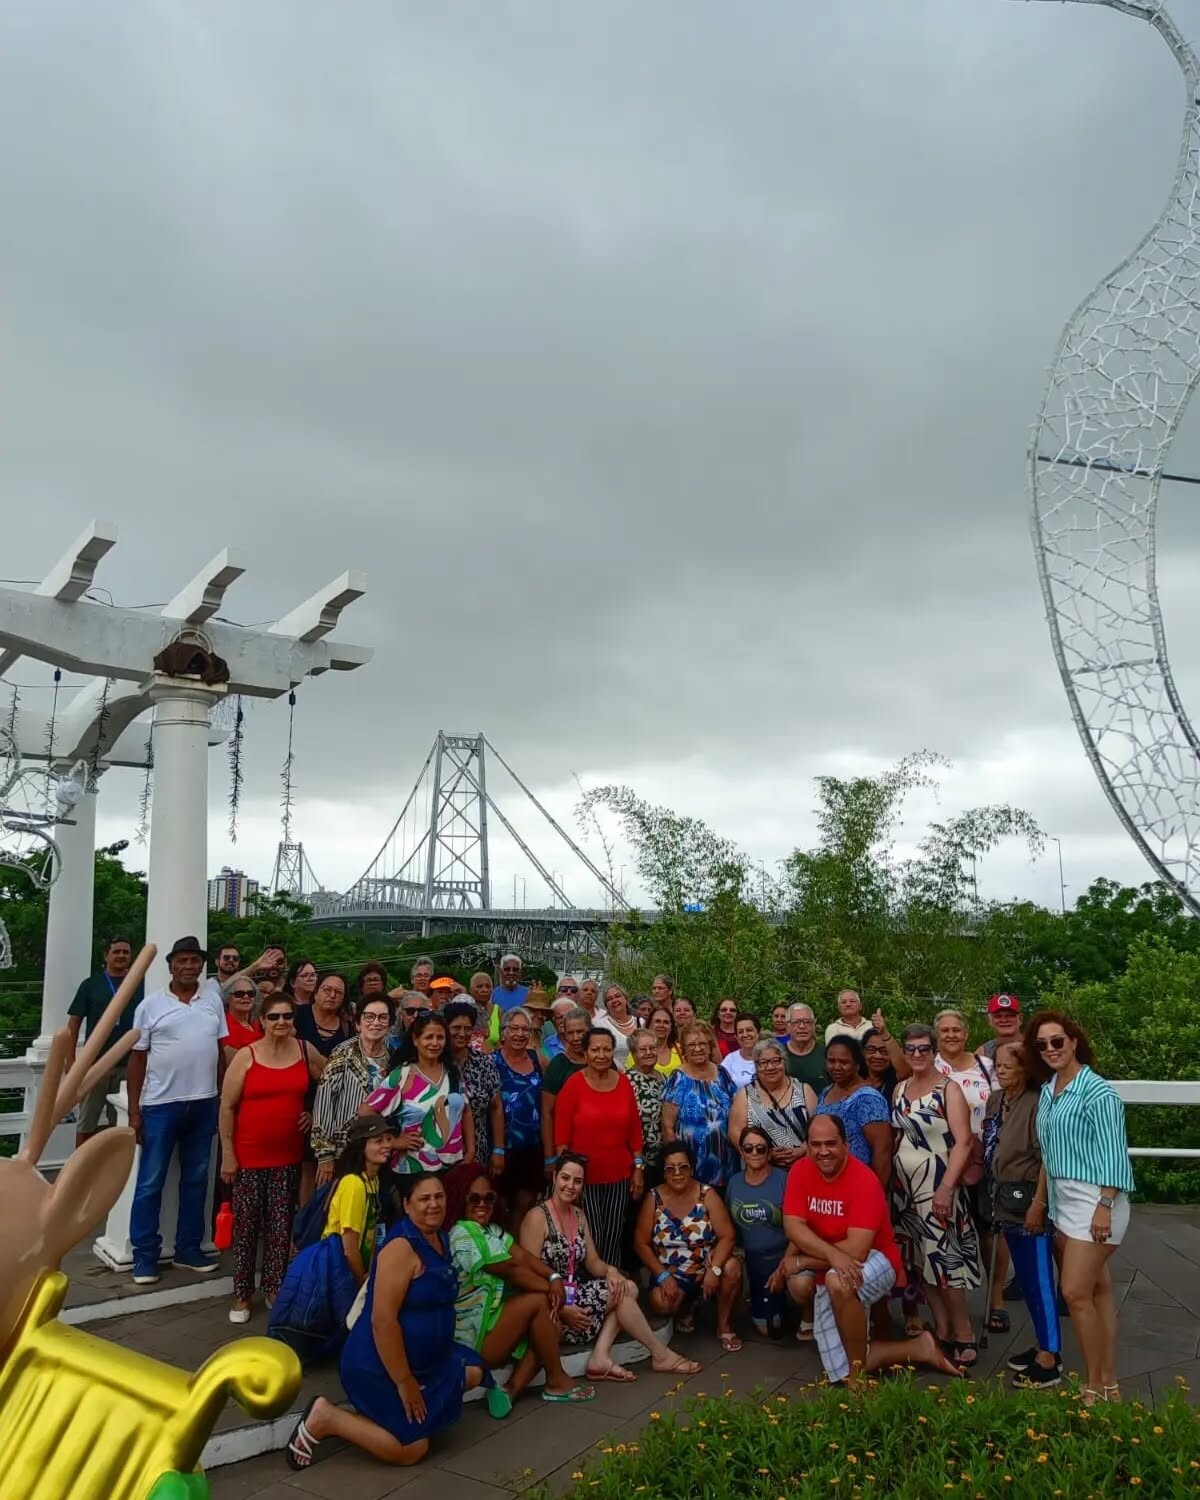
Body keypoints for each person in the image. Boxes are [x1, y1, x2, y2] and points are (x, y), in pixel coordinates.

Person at [286, 1173, 503, 1472]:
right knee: (412, 1449)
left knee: (474, 1371)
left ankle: (405, 1414)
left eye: (438, 1197)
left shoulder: (440, 1237)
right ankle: (328, 1418)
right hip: (378, 1365)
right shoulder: (400, 1248)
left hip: (428, 1362)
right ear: (407, 1204)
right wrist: (404, 1381)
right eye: (424, 1199)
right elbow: (382, 1321)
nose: (433, 1204)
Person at [781, 1114, 961, 1387]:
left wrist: (805, 1260)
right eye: (815, 1144)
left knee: (838, 1281)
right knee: (834, 1369)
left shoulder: (864, 1179)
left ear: (846, 1145)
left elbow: (857, 1250)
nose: (823, 1151)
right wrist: (831, 1256)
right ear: (806, 1145)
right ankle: (918, 1349)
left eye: (831, 1143)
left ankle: (857, 1375)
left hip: (879, 1260)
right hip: (831, 1259)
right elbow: (793, 1227)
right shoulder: (799, 1171)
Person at [1027, 1008, 1134, 1406]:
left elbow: (1114, 1153)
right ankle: (1109, 1384)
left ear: (1074, 1042)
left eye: (1057, 1041)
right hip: (1063, 1202)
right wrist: (1040, 1203)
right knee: (1099, 1290)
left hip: (1096, 1201)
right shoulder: (1049, 1089)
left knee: (1073, 1292)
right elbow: (1049, 1155)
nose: (1050, 1049)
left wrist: (1104, 1205)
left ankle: (1092, 1387)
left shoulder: (1098, 1092)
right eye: (1042, 1045)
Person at [520, 1152, 700, 1378]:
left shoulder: (578, 1214)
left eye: (577, 1181)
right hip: (551, 1305)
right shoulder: (537, 1217)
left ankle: (603, 1355)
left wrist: (612, 1271)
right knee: (624, 1294)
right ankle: (658, 1354)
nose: (570, 1186)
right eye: (565, 1178)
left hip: (575, 1296)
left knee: (626, 1287)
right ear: (555, 1177)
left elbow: (593, 1262)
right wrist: (563, 1308)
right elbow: (528, 1276)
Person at [126, 935, 229, 1284]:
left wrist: (218, 1100)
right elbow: (137, 1059)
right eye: (182, 961)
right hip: (160, 1105)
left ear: (202, 965)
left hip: (203, 1103)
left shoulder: (212, 1002)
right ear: (170, 965)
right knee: (150, 1182)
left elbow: (219, 1054)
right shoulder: (150, 1005)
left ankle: (188, 1248)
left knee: (196, 1180)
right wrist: (134, 1111)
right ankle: (145, 1255)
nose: (189, 966)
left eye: (195, 961)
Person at [219, 995, 326, 1322]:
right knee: (248, 1227)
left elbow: (332, 1082)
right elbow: (227, 1106)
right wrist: (228, 1154)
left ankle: (274, 1287)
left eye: (287, 1016)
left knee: (281, 1228)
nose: (281, 1022)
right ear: (262, 1020)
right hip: (249, 1156)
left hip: (288, 1155)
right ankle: (241, 1294)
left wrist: (313, 1112)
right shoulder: (246, 1056)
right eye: (274, 1017)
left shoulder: (304, 1050)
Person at [447, 1172, 595, 1403]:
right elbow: (511, 1270)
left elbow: (522, 1257)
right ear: (460, 1199)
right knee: (540, 1302)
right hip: (475, 1337)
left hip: (496, 1321)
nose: (482, 1204)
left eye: (489, 1198)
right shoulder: (460, 1234)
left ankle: (510, 1389)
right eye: (474, 1199)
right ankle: (556, 1380)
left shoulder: (491, 1230)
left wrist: (554, 1277)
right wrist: (550, 1288)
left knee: (551, 1325)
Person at [269, 1114, 396, 1363]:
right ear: (362, 1146)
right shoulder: (354, 1185)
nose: (387, 1145)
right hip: (337, 1264)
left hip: (349, 1264)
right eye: (377, 1141)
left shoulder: (374, 1180)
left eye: (388, 1139)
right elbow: (349, 1246)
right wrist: (361, 1280)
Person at [891, 1022, 981, 1365]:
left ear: (933, 1051)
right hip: (906, 1185)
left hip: (937, 1182)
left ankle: (963, 1331)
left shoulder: (949, 1090)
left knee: (945, 1260)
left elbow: (963, 1142)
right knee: (919, 1259)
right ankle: (942, 1327)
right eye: (910, 1049)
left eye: (923, 1049)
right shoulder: (899, 1089)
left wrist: (946, 1187)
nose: (916, 1055)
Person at [983, 1040, 1062, 1388]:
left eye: (1007, 1066)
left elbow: (1047, 1156)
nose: (1000, 1071)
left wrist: (1039, 1204)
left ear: (1026, 1069)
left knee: (1040, 1279)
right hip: (1002, 1200)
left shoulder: (1037, 1102)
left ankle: (1051, 1357)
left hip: (1030, 1201)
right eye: (996, 1065)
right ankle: (1043, 1343)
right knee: (1027, 1281)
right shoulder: (997, 1100)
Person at [635, 1141, 743, 1352]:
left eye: (683, 1167)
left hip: (705, 1266)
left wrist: (715, 1269)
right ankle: (687, 1305)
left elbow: (727, 1235)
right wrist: (661, 1275)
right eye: (670, 1168)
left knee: (732, 1269)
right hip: (672, 1272)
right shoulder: (654, 1198)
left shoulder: (707, 1194)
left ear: (692, 1168)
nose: (677, 1173)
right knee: (661, 1303)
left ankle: (724, 1326)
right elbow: (640, 1243)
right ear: (663, 1172)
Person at [554, 1029, 645, 1266]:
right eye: (595, 1049)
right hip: (584, 1178)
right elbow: (561, 1137)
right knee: (590, 1235)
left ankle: (613, 1289)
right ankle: (588, 1287)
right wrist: (564, 1179)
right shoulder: (573, 1085)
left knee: (614, 1235)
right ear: (585, 1053)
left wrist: (638, 1168)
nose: (601, 1055)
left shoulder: (624, 1083)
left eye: (607, 1049)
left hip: (619, 1175)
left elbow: (635, 1130)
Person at [367, 1013, 472, 1173]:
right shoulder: (402, 1075)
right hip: (413, 1168)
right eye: (429, 1037)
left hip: (453, 1165)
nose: (435, 1043)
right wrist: (392, 1142)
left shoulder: (453, 1072)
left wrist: (471, 1151)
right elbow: (366, 1111)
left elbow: (466, 1111)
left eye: (440, 1037)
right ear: (416, 1040)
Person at [67, 935, 145, 1146]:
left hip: (129, 1065)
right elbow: (73, 1023)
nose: (121, 956)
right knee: (87, 1123)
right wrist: (71, 1061)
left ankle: (114, 1173)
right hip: (96, 1065)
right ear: (106, 955)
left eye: (126, 952)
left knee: (120, 1124)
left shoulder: (140, 984)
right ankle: (79, 1173)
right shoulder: (91, 985)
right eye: (116, 952)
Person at [312, 995, 397, 1184]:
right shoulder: (343, 1052)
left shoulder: (394, 1058)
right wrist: (324, 1154)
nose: (376, 1022)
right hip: (344, 1149)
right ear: (358, 1023)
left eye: (383, 1017)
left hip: (381, 1150)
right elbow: (324, 1103)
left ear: (390, 1024)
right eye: (369, 1017)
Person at [727, 1126, 789, 1337]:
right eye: (749, 1148)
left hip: (782, 1256)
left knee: (778, 1323)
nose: (754, 1153)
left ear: (769, 1152)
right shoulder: (734, 1183)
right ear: (742, 1152)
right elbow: (730, 1225)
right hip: (751, 1259)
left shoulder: (784, 1180)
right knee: (763, 1327)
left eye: (760, 1149)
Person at [661, 1021, 738, 1190]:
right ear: (684, 1050)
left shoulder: (722, 1073)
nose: (697, 1048)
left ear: (710, 1046)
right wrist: (678, 1165)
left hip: (726, 1161)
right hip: (693, 1164)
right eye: (692, 1045)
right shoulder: (678, 1078)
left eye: (702, 1043)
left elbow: (737, 1111)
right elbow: (667, 1127)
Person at [727, 1039, 815, 1172]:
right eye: (763, 1063)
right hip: (762, 1172)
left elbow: (818, 1128)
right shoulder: (744, 1095)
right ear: (756, 1066)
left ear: (784, 1062)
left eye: (775, 1061)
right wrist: (764, 1153)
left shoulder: (804, 1090)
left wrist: (803, 1149)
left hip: (803, 1168)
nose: (770, 1067)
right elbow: (735, 1132)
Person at [816, 1035, 893, 1186]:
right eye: (832, 1061)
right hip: (827, 1183)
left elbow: (882, 1152)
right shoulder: (826, 1092)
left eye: (844, 1062)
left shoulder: (868, 1098)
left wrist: (875, 1193)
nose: (836, 1067)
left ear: (857, 1065)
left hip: (858, 1184)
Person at [492, 1008, 544, 1228]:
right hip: (504, 1145)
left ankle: (519, 1250)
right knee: (501, 1202)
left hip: (533, 1145)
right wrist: (498, 1149)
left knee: (526, 1202)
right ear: (503, 1033)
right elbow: (491, 1107)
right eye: (514, 1028)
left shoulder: (538, 1059)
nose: (520, 1034)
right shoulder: (492, 1062)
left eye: (526, 1029)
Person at [444, 1001, 504, 1170]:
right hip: (440, 1152)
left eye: (467, 1028)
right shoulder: (437, 1062)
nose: (462, 1033)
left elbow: (496, 1106)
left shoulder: (484, 1062)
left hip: (478, 1149)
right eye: (456, 1028)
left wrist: (499, 1150)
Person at [539, 1006, 589, 1177]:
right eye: (570, 1032)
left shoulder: (603, 1062)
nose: (575, 1038)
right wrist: (549, 1157)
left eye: (581, 1032)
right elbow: (546, 1112)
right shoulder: (558, 1065)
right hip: (566, 1150)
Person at [626, 1029, 666, 1180]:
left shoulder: (663, 1077)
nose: (649, 1052)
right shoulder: (626, 1081)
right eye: (643, 1049)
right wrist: (638, 1164)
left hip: (662, 1158)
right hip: (637, 1160)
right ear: (633, 1053)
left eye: (652, 1048)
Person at [783, 1003, 828, 1094]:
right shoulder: (778, 1054)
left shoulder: (827, 1054)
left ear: (813, 1025)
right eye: (796, 1022)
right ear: (788, 1026)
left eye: (807, 1022)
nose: (802, 1026)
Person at [594, 983, 640, 1067]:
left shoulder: (641, 1022)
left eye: (618, 996)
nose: (614, 1000)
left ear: (626, 999)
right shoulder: (599, 1025)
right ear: (606, 1005)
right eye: (609, 999)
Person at [223, 976, 263, 1060]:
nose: (246, 997)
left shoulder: (258, 1023)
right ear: (228, 998)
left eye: (250, 993)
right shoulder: (225, 1026)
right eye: (239, 994)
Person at [720, 1013, 761, 1090]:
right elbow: (721, 1088)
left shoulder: (769, 1056)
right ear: (736, 1037)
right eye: (740, 1032)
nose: (745, 1034)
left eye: (749, 1030)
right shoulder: (729, 1060)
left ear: (758, 1032)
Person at [979, 992, 1023, 1062]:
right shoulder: (983, 1052)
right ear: (989, 1020)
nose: (1004, 1020)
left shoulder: (1035, 1047)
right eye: (998, 1016)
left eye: (1010, 1015)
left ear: (1020, 1019)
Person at [643, 1005, 681, 1075]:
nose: (661, 1025)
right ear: (649, 1025)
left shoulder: (681, 1051)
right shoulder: (638, 1052)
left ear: (671, 1027)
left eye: (666, 1022)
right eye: (657, 1021)